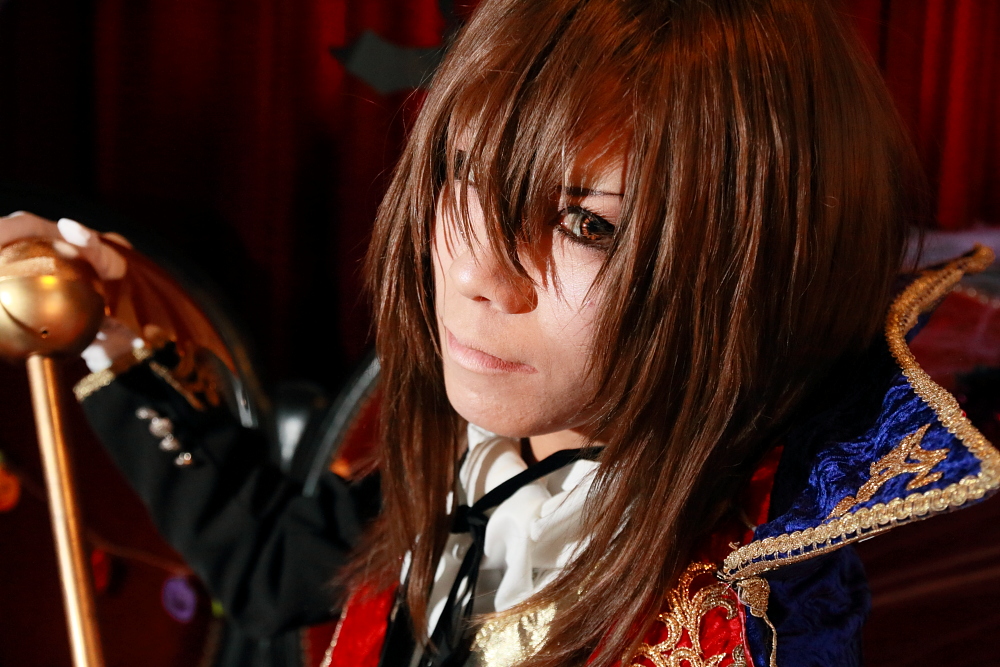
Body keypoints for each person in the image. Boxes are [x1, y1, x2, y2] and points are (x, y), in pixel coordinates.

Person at [2, 0, 997, 666]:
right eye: (462, 174)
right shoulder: (490, 444)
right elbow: (276, 568)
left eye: (586, 224)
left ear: (753, 270)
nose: (476, 270)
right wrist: (108, 331)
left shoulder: (750, 620)